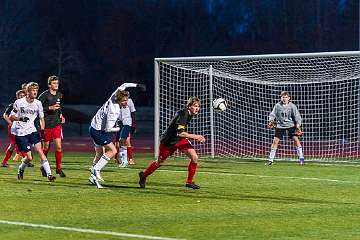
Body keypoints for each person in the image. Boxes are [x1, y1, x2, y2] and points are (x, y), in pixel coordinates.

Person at [138, 96, 205, 189]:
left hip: (180, 140)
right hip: (168, 141)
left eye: (198, 106)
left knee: (194, 157)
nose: (197, 108)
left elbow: (180, 135)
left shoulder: (189, 113)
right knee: (159, 163)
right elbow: (180, 133)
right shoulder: (183, 115)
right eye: (195, 106)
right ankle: (143, 175)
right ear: (189, 106)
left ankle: (189, 182)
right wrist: (196, 136)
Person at [10, 82, 56, 181]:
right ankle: (21, 169)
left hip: (32, 131)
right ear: (27, 91)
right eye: (32, 90)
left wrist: (43, 129)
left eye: (36, 90)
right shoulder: (19, 102)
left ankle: (49, 175)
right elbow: (11, 117)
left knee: (40, 151)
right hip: (20, 132)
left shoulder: (38, 103)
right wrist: (20, 118)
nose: (35, 92)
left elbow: (41, 118)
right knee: (29, 158)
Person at [88, 89, 130, 189]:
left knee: (99, 154)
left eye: (126, 100)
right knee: (113, 150)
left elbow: (123, 85)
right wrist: (119, 127)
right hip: (98, 131)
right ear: (119, 100)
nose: (126, 102)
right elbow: (108, 128)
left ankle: (93, 177)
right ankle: (95, 169)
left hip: (94, 127)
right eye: (124, 100)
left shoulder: (112, 98)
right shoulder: (114, 110)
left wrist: (137, 85)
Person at [266, 91, 304, 165]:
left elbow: (297, 116)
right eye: (283, 97)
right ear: (281, 98)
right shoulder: (277, 106)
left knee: (296, 140)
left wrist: (298, 125)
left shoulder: (292, 106)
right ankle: (270, 160)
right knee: (275, 141)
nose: (284, 99)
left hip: (291, 125)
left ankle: (301, 159)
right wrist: (270, 121)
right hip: (280, 125)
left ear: (289, 98)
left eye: (286, 97)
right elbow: (272, 114)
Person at [38, 75, 66, 177]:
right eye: (54, 83)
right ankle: (43, 167)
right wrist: (50, 107)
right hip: (46, 124)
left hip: (56, 123)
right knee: (46, 147)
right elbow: (38, 107)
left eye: (57, 83)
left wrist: (61, 115)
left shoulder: (59, 94)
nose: (56, 85)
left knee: (58, 147)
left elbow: (58, 107)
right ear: (49, 85)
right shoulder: (44, 95)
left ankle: (58, 169)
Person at [1, 90, 26, 167]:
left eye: (23, 96)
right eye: (20, 96)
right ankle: (5, 161)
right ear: (17, 97)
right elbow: (5, 115)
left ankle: (25, 160)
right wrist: (10, 122)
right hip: (13, 127)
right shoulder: (13, 105)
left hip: (22, 127)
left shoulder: (25, 106)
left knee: (21, 143)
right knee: (13, 144)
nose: (22, 97)